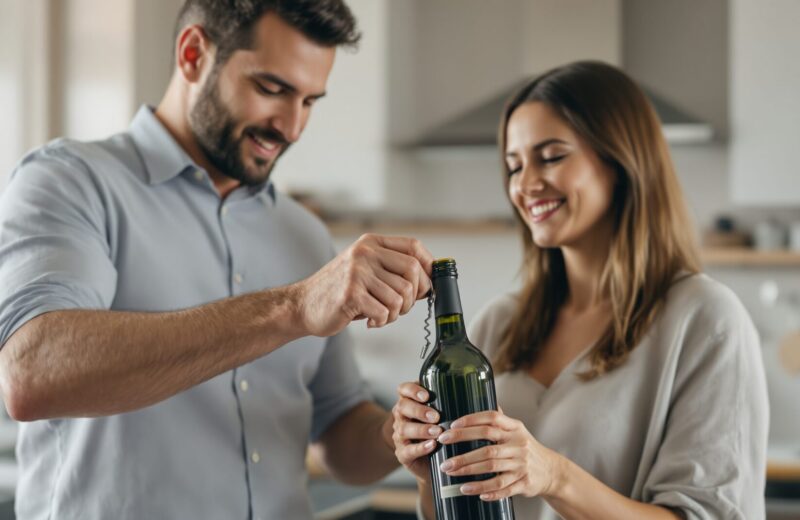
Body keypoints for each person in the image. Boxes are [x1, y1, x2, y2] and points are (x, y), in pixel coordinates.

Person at [0, 1, 434, 518]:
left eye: (310, 101)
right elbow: (32, 375)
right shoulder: (70, 181)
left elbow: (337, 436)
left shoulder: (304, 234)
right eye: (271, 89)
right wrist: (292, 307)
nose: (292, 127)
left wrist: (401, 433)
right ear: (192, 55)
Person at [392, 61, 768, 520]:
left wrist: (555, 477)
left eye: (550, 157)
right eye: (514, 166)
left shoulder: (706, 320)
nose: (526, 184)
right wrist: (430, 470)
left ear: (621, 161)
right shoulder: (498, 324)